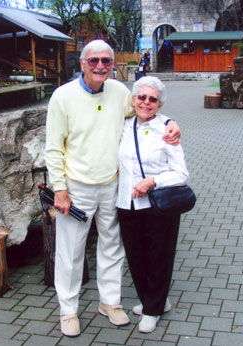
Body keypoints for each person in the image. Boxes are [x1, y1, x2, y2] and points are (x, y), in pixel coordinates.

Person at [45, 40, 181, 337]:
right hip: (76, 187)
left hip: (112, 186)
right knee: (70, 252)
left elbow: (145, 112)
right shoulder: (62, 97)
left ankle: (109, 302)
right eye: (93, 60)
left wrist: (170, 122)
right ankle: (68, 310)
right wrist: (59, 189)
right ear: (82, 63)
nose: (100, 66)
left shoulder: (120, 92)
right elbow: (53, 148)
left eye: (106, 61)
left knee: (112, 247)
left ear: (113, 63)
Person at [116, 76, 189, 334]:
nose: (146, 102)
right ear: (134, 99)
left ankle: (152, 309)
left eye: (152, 99)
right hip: (126, 202)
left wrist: (153, 181)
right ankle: (155, 300)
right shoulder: (123, 124)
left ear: (159, 105)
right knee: (136, 256)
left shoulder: (167, 131)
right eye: (141, 97)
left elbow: (181, 174)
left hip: (159, 205)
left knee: (159, 255)